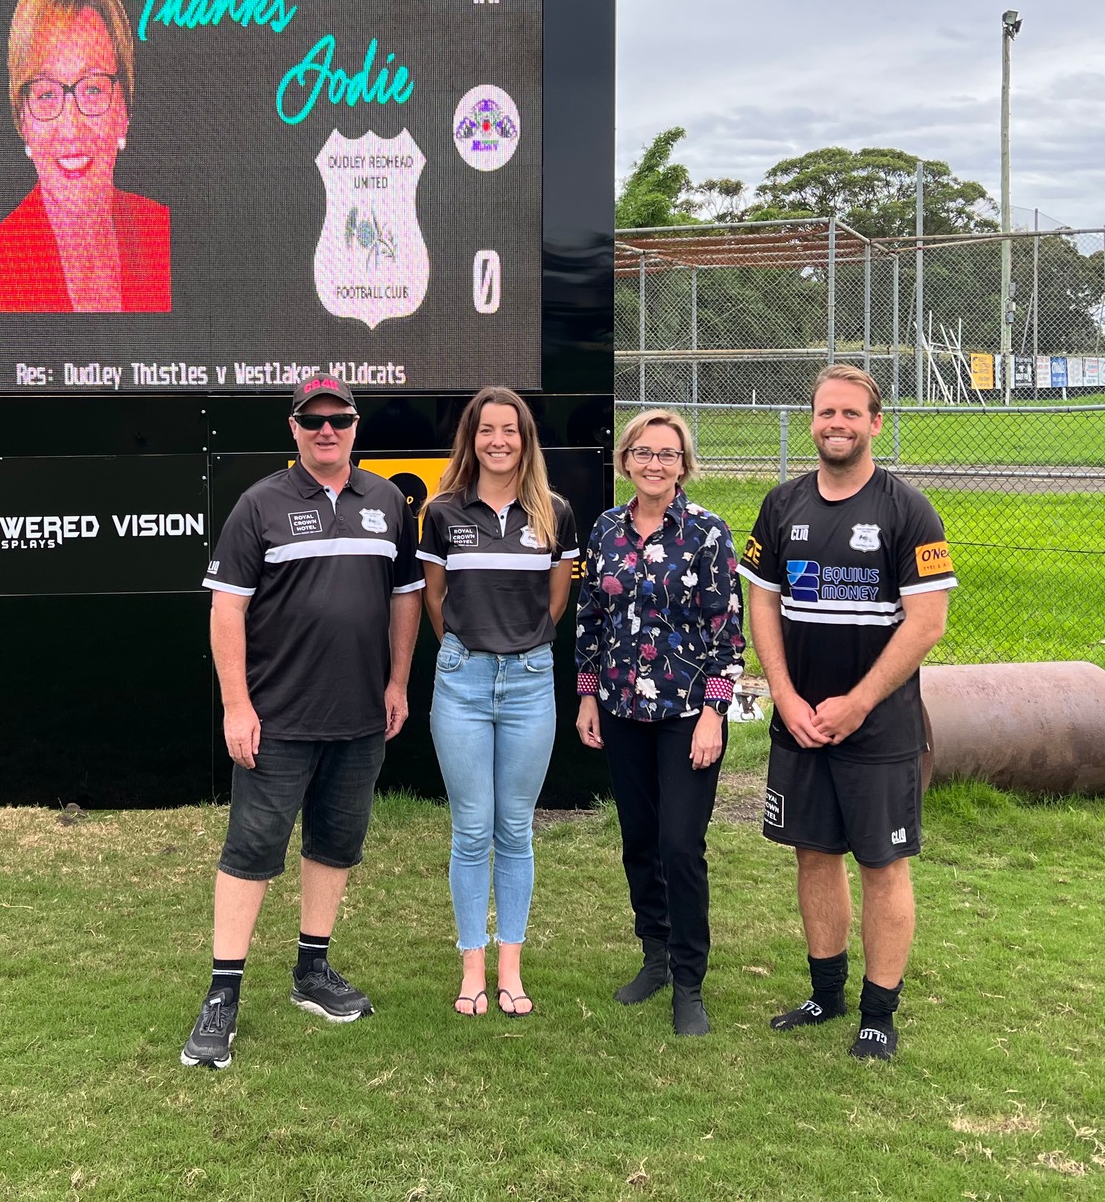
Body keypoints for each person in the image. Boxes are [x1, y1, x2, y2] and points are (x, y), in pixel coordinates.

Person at [181, 374, 422, 1069]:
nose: (327, 431)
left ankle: (311, 971)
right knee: (252, 851)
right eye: (313, 420)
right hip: (277, 717)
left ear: (354, 427)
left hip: (359, 716)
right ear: (293, 428)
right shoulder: (260, 504)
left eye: (338, 420)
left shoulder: (385, 501)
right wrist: (236, 704)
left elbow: (406, 597)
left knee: (336, 844)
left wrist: (398, 681)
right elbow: (227, 608)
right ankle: (223, 993)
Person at [739, 364, 956, 1061]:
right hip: (801, 722)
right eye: (826, 413)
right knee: (813, 853)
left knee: (883, 863)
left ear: (875, 423)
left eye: (851, 414)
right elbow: (762, 603)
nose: (837, 424)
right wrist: (787, 696)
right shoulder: (781, 505)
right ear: (812, 421)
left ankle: (878, 1012)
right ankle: (825, 993)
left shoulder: (908, 510)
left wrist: (858, 703)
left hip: (879, 726)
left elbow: (927, 623)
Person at [573, 409, 746, 1037]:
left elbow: (728, 632)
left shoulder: (707, 533)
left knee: (680, 844)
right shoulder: (605, 530)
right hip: (621, 711)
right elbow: (591, 619)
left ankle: (690, 980)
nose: (655, 464)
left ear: (683, 464)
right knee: (640, 839)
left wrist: (715, 712)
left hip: (686, 714)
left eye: (668, 454)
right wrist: (589, 695)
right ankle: (654, 956)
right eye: (643, 452)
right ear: (625, 461)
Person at [418, 388, 579, 1019]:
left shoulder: (554, 514)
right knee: (470, 828)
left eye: (509, 430)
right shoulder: (442, 512)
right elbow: (436, 600)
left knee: (515, 829)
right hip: (461, 681)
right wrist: (470, 651)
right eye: (487, 430)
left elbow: (555, 601)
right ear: (472, 438)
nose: (499, 441)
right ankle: (472, 969)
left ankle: (510, 970)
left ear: (525, 437)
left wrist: (517, 648)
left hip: (531, 681)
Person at [0, 0, 171, 313]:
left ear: (124, 111)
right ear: (22, 120)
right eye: (45, 95)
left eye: (92, 89)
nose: (71, 128)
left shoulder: (164, 235)